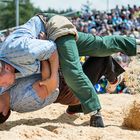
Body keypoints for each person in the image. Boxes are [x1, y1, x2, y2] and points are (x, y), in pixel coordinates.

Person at [1, 15, 140, 127]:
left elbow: (50, 49)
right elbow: (50, 83)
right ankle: (133, 48)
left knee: (72, 71)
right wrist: (48, 64)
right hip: (50, 42)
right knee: (100, 46)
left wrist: (45, 52)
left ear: (6, 67)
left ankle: (94, 110)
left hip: (52, 31)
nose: (2, 85)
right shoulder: (8, 79)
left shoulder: (22, 50)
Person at [0, 56, 125, 126]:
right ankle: (114, 81)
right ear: (4, 111)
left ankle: (76, 107)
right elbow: (49, 85)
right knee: (102, 58)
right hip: (68, 90)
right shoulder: (21, 101)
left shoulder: (4, 91)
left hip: (62, 80)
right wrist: (44, 53)